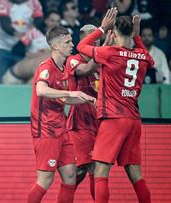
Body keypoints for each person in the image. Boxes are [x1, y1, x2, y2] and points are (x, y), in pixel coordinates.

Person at [77, 8, 153, 203]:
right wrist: (137, 36)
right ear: (131, 33)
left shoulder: (110, 53)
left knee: (101, 170)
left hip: (113, 118)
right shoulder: (143, 57)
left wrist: (102, 28)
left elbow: (81, 46)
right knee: (135, 173)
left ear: (115, 33)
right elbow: (149, 58)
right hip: (134, 120)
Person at [28, 25, 96, 203]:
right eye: (67, 42)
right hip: (46, 131)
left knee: (70, 177)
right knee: (45, 181)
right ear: (55, 46)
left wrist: (87, 99)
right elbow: (41, 90)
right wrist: (70, 93)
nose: (72, 44)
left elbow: (64, 99)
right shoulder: (46, 67)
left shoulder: (63, 69)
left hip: (62, 130)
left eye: (71, 41)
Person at [65, 24, 110, 200]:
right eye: (93, 38)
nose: (96, 42)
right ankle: (64, 197)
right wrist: (104, 47)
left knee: (95, 169)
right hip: (80, 124)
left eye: (98, 39)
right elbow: (86, 70)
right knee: (81, 169)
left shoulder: (102, 62)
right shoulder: (74, 60)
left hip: (100, 123)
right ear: (83, 40)